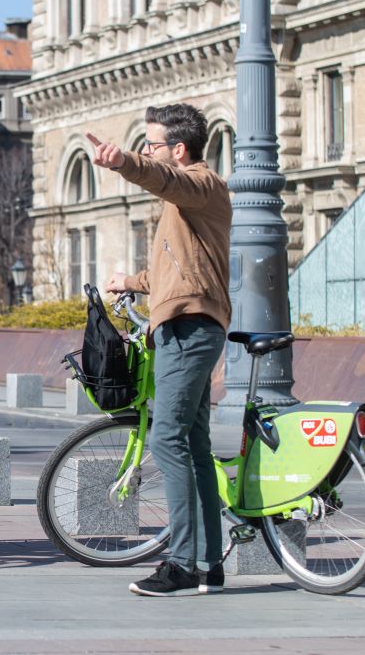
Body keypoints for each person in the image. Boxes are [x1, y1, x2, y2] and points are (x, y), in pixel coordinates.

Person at [87, 103, 232, 597]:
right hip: (181, 323)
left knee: (167, 439)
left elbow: (165, 181)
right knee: (192, 444)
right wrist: (130, 281)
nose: (148, 151)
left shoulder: (200, 184)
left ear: (179, 149)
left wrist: (125, 161)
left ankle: (183, 563)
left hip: (190, 329)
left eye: (152, 144)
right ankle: (208, 562)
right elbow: (177, 271)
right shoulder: (185, 203)